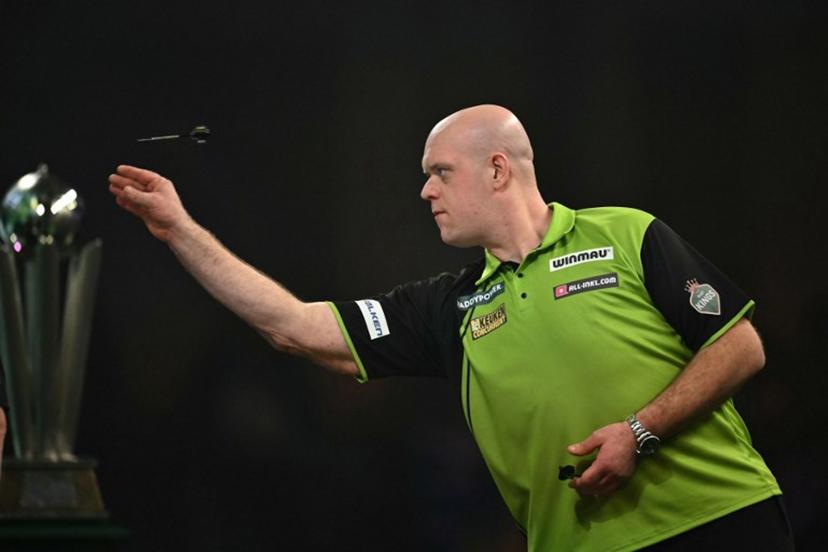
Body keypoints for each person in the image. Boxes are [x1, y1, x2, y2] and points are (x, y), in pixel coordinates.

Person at [109, 105, 792, 550]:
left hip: (725, 522)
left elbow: (740, 343)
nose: (424, 191)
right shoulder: (447, 308)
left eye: (439, 172)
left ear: (498, 169)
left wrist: (640, 432)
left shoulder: (626, 234)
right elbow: (294, 327)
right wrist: (181, 232)